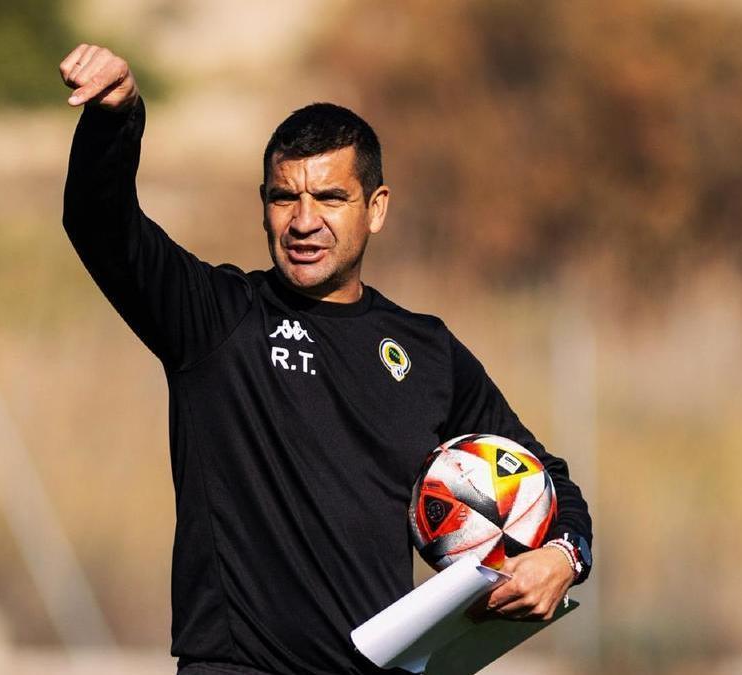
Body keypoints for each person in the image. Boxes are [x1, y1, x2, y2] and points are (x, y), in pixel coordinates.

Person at [58, 43, 593, 675]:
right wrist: (115, 115)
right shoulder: (216, 321)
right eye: (285, 197)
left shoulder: (427, 352)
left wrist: (563, 556)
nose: (303, 221)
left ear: (376, 207)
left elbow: (545, 479)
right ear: (264, 206)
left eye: (330, 198)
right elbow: (97, 222)